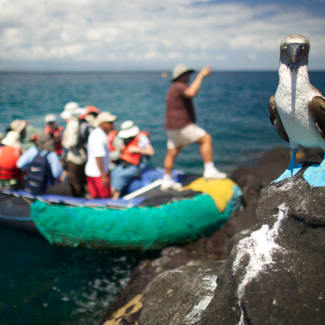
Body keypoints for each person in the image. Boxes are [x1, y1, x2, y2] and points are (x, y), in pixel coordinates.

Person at [161, 64, 227, 190]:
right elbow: (191, 93)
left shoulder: (173, 88)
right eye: (187, 74)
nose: (189, 77)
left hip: (171, 127)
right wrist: (201, 75)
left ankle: (166, 179)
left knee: (172, 152)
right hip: (182, 125)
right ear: (181, 76)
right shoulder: (180, 86)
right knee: (206, 139)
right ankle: (209, 170)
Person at [111, 120, 154, 199]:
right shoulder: (126, 139)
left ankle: (115, 198)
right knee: (114, 173)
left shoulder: (142, 138)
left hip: (136, 165)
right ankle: (114, 192)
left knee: (120, 176)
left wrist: (138, 150)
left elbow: (151, 152)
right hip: (125, 163)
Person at [85, 111, 117, 198]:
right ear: (103, 123)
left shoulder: (97, 133)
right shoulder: (99, 136)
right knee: (104, 199)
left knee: (95, 197)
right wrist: (103, 176)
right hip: (98, 174)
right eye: (110, 123)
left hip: (94, 172)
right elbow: (98, 156)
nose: (112, 125)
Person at [61, 102, 88, 197]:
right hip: (82, 155)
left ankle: (77, 200)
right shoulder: (81, 122)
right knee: (81, 179)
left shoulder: (73, 124)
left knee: (75, 181)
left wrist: (64, 143)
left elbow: (71, 142)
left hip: (74, 157)